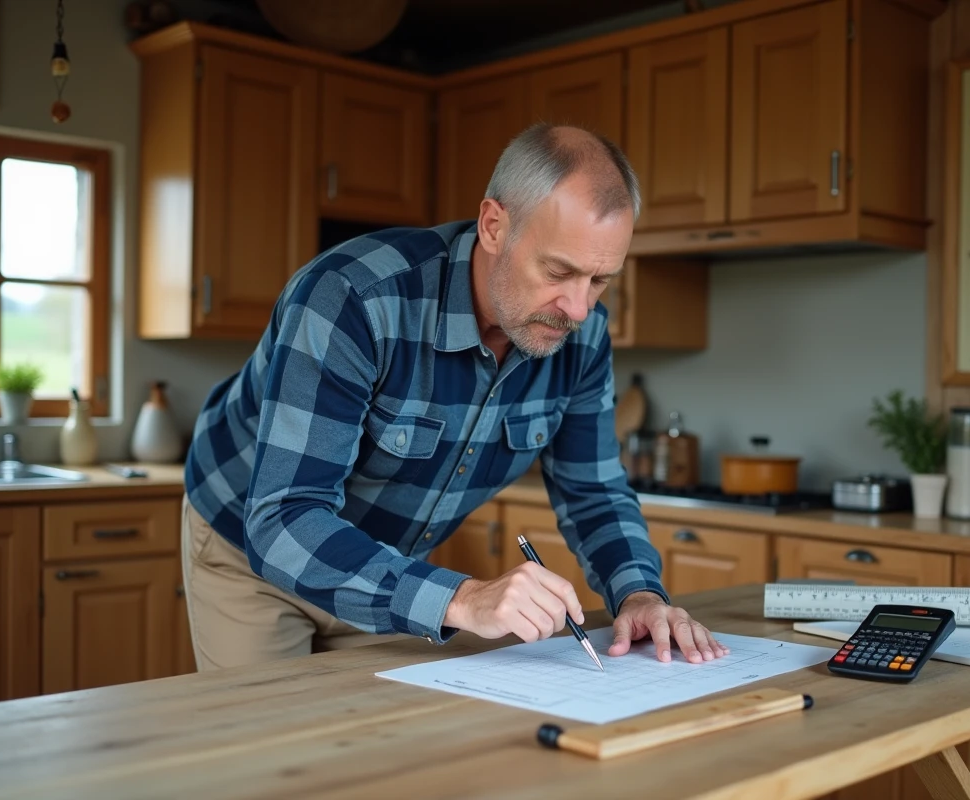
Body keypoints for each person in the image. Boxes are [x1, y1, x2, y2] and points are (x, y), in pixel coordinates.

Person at [180, 122, 729, 671]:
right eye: (559, 271)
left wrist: (639, 596)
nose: (580, 308)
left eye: (601, 280)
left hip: (384, 569)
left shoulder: (582, 336)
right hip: (251, 551)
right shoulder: (353, 298)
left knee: (379, 748)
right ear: (494, 225)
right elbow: (284, 516)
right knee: (267, 748)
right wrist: (463, 599)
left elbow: (595, 493)